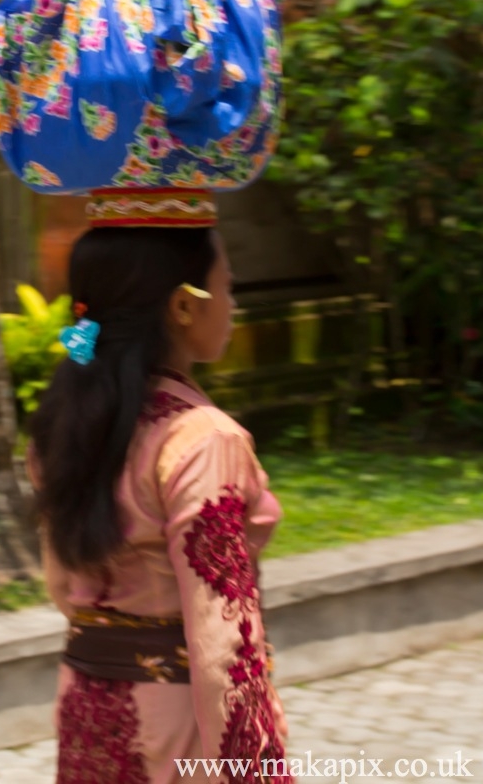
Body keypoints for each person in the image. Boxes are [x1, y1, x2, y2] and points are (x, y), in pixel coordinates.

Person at [30, 225, 288, 783]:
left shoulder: (62, 423)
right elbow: (224, 636)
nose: (234, 305)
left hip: (87, 704)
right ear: (183, 306)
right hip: (179, 725)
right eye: (228, 288)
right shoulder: (203, 441)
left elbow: (60, 585)